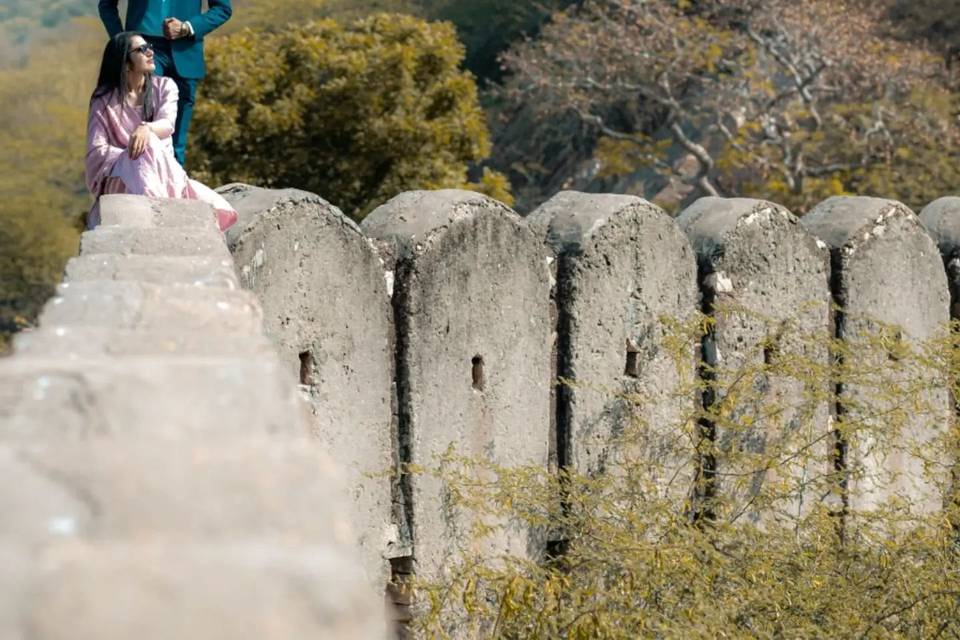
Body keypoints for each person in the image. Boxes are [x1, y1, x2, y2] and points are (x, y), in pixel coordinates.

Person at [85, 31, 238, 231]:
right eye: (142, 49)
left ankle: (155, 215)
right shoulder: (103, 99)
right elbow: (96, 150)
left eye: (149, 47)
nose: (150, 52)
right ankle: (159, 216)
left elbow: (167, 124)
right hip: (120, 178)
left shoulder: (165, 87)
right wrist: (129, 157)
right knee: (143, 152)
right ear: (125, 62)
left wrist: (145, 129)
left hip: (161, 171)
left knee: (149, 145)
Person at [98, 0, 232, 166]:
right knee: (144, 119)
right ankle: (140, 179)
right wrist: (123, 44)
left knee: (179, 138)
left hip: (187, 52)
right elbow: (106, 5)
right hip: (143, 50)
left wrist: (187, 27)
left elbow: (223, 9)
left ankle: (175, 183)